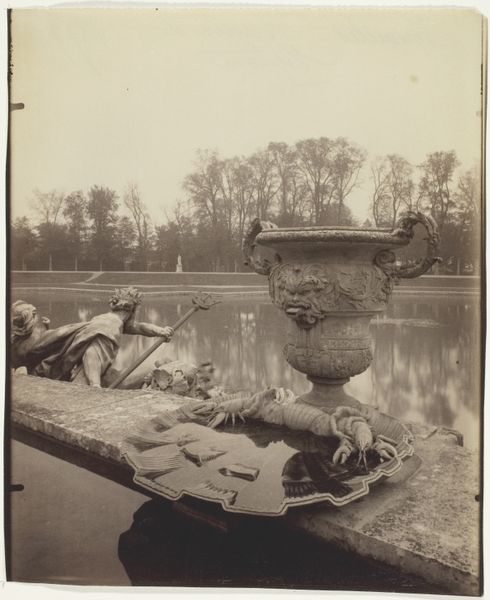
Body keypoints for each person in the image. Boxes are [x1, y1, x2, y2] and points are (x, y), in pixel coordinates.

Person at [11, 287, 174, 388]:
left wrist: (160, 331)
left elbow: (137, 327)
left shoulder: (109, 319)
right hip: (86, 377)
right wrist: (95, 386)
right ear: (132, 310)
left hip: (80, 369)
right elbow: (93, 353)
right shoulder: (111, 326)